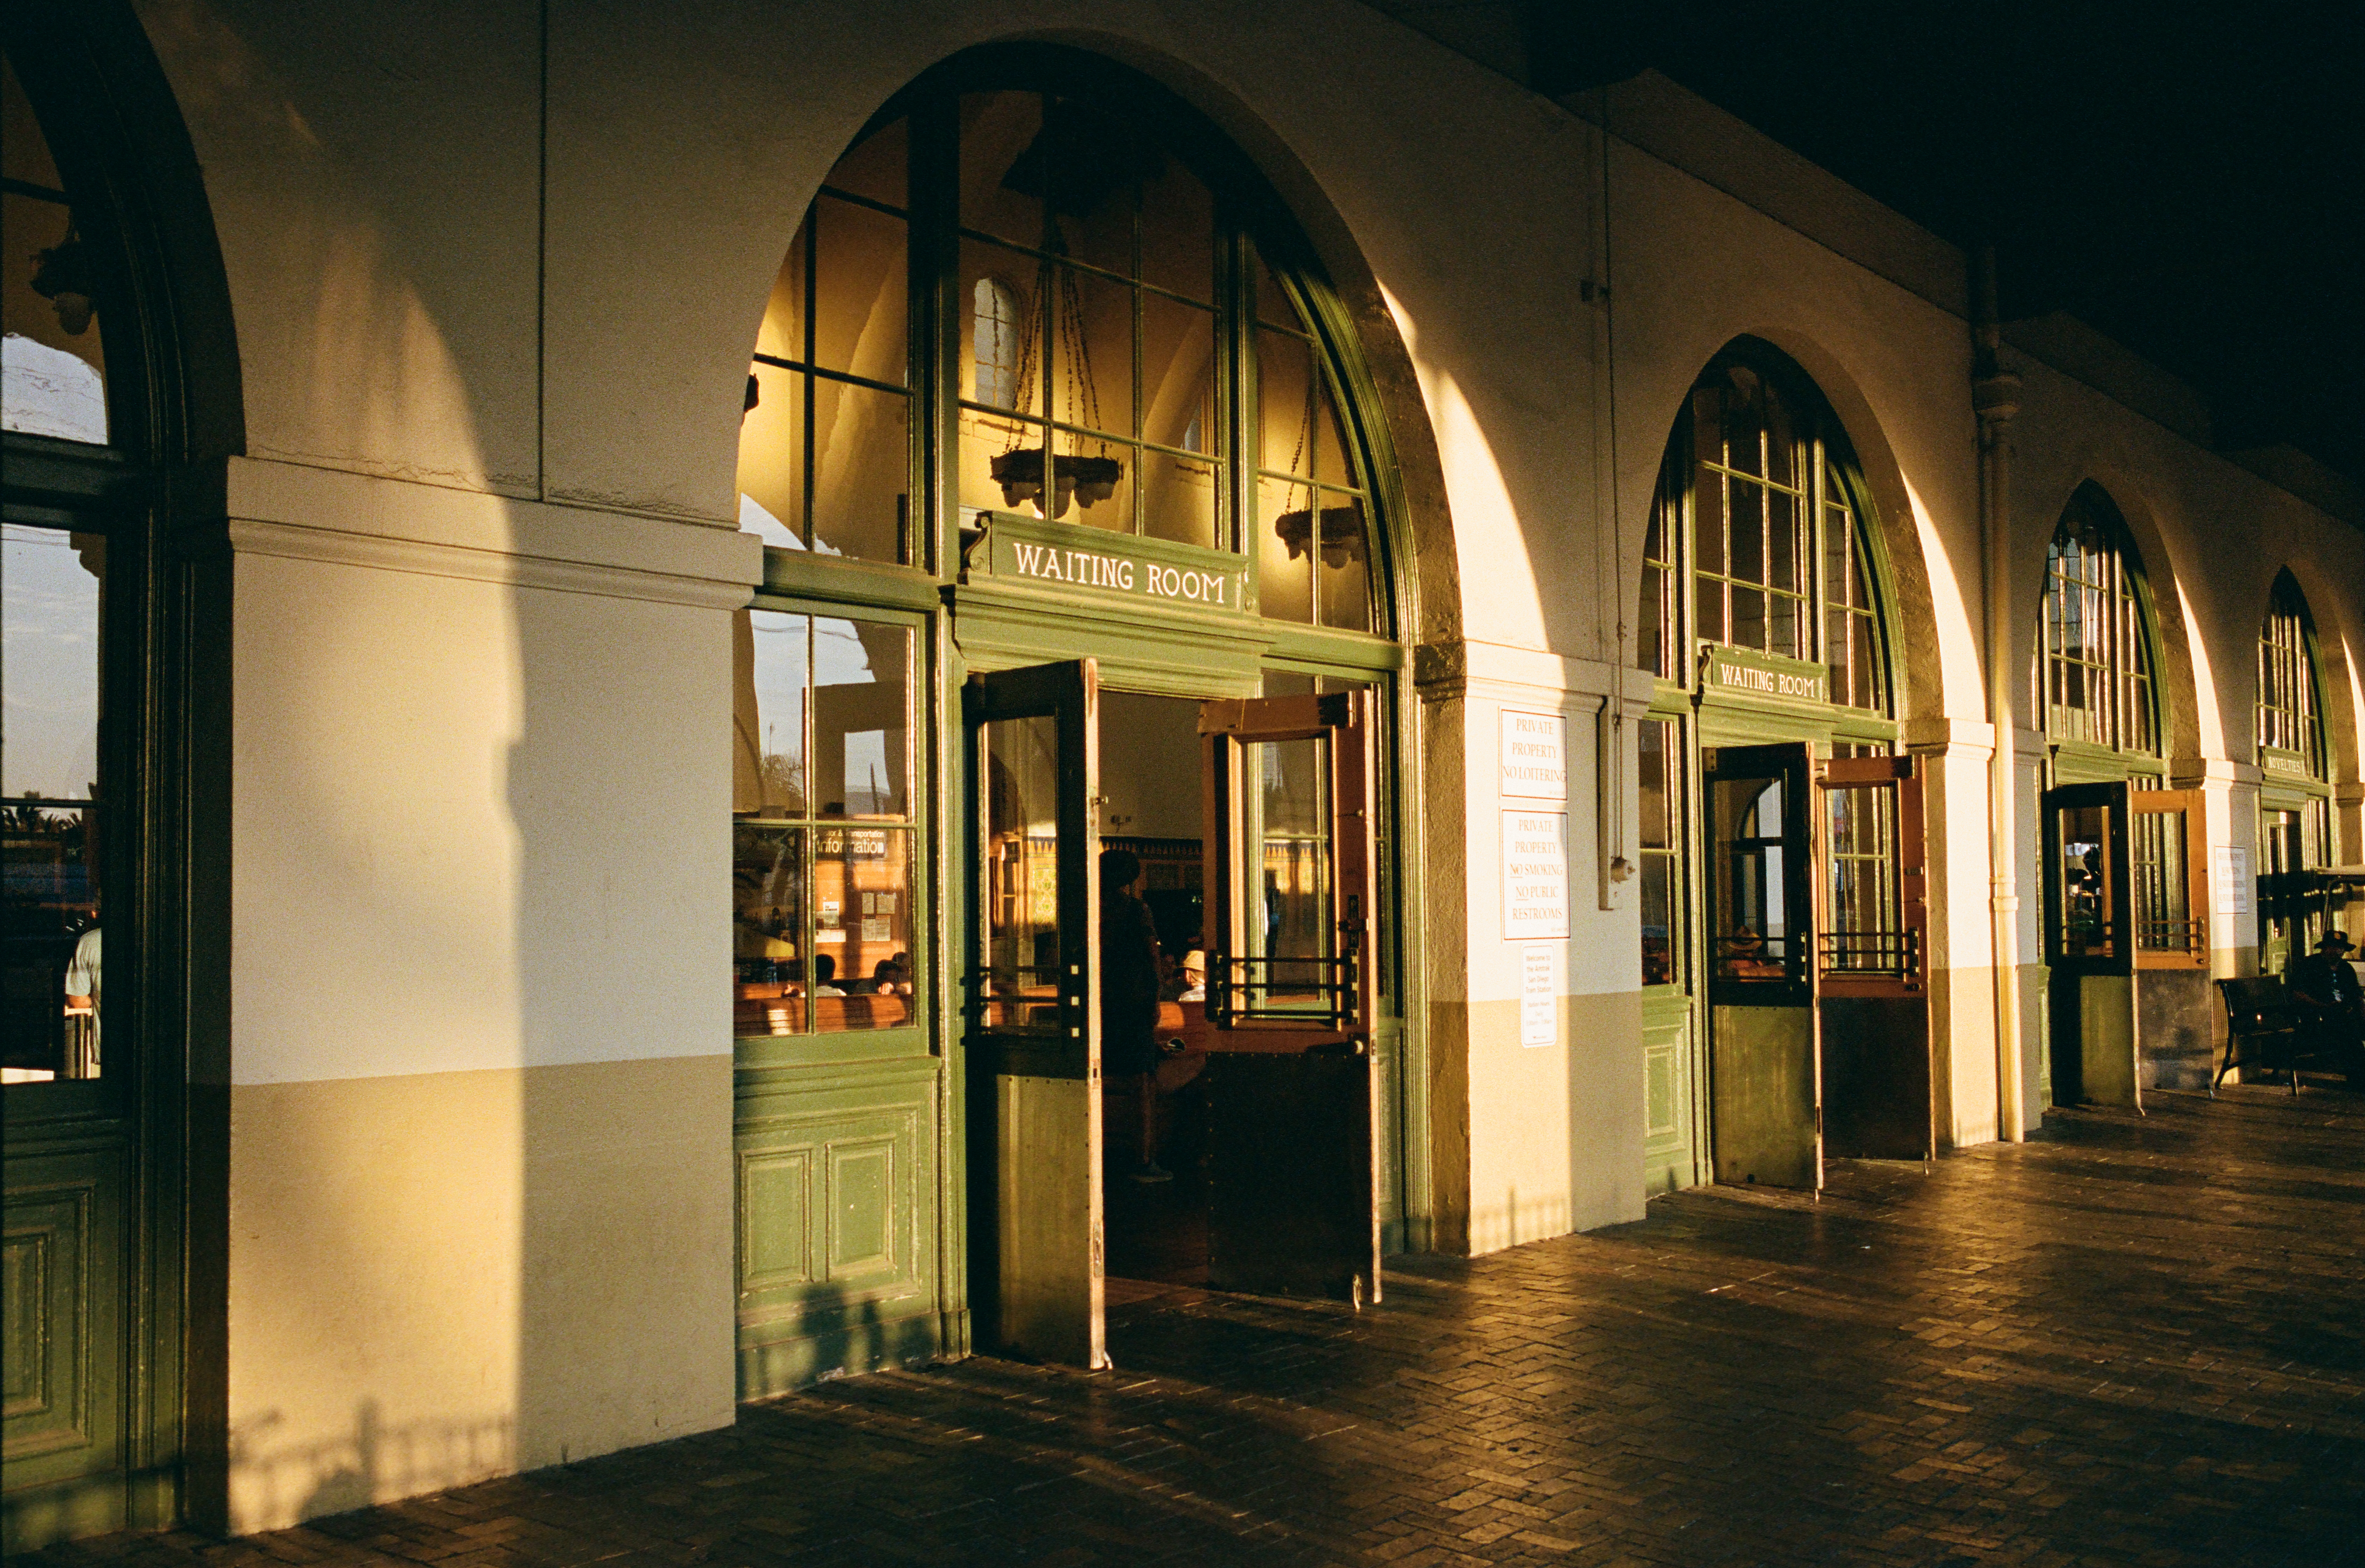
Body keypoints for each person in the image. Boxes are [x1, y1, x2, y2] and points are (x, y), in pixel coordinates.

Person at [1100, 848, 1169, 1183]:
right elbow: (1151, 956)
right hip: (1133, 1004)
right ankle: (1144, 1158)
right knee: (1143, 1080)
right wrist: (1155, 998)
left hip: (1102, 1004)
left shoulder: (1088, 910)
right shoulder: (1136, 910)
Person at [2285, 930, 2364, 1080]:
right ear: (2325, 948)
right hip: (2317, 1013)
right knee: (2347, 1028)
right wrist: (2323, 1006)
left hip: (2344, 1011)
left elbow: (2356, 994)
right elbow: (2298, 995)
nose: (2337, 952)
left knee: (2351, 1022)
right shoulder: (2309, 965)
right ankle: (2358, 1076)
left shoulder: (2346, 968)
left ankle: (2358, 1073)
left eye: (2340, 948)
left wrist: (2361, 1008)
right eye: (2333, 947)